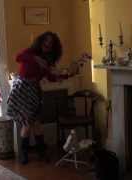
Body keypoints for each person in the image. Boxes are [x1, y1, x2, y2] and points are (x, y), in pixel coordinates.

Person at [6, 31, 90, 164]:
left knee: (37, 123)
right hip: (22, 87)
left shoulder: (48, 60)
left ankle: (40, 152)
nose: (47, 44)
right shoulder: (31, 52)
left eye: (50, 43)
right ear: (41, 41)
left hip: (34, 89)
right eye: (46, 41)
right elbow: (18, 57)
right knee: (28, 123)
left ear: (53, 47)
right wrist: (35, 58)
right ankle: (25, 154)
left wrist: (66, 76)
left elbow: (50, 76)